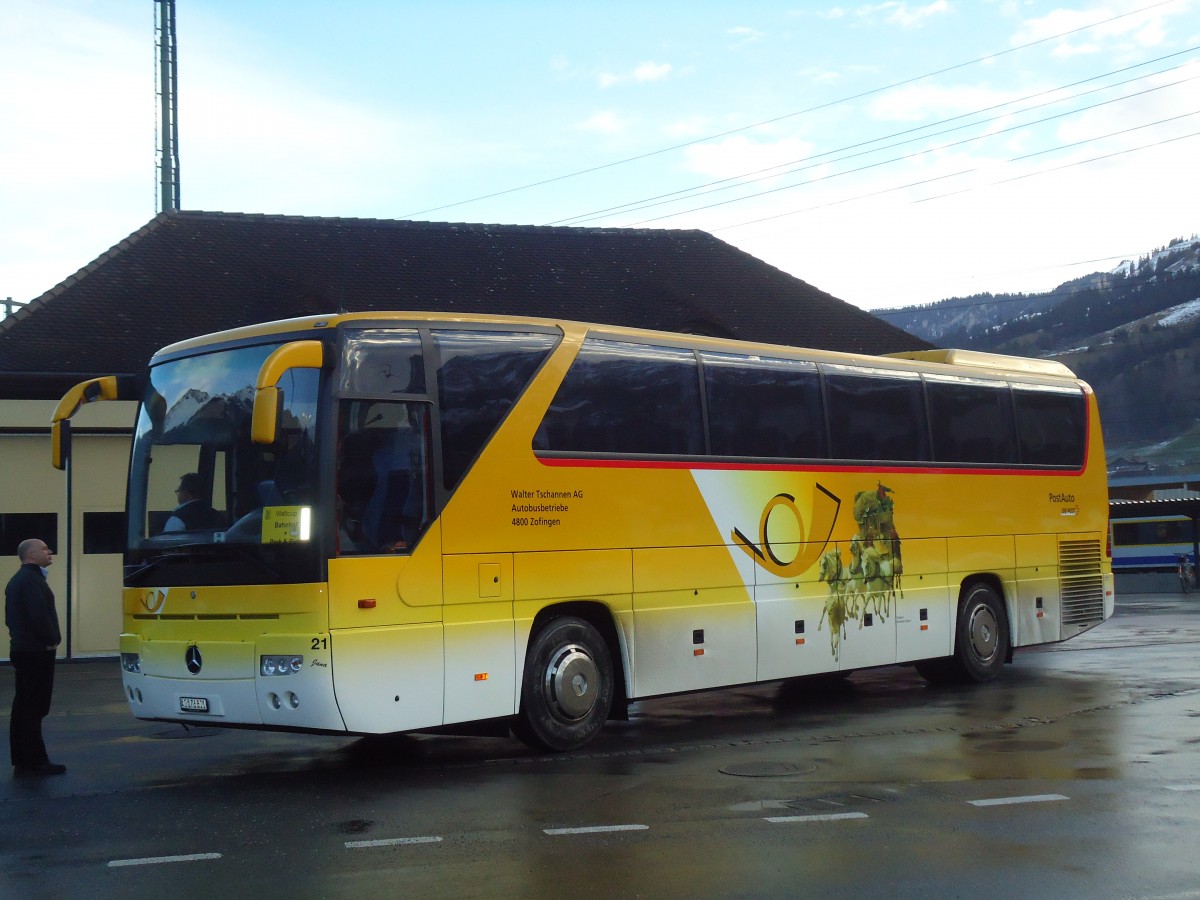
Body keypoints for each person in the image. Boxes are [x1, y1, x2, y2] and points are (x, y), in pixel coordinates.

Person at [5, 538, 66, 777]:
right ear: (31, 555)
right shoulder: (31, 581)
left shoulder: (20, 580)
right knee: (34, 706)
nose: (49, 551)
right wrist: (52, 639)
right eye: (43, 549)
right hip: (36, 651)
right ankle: (35, 760)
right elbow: (39, 616)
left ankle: (22, 758)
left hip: (24, 649)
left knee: (23, 704)